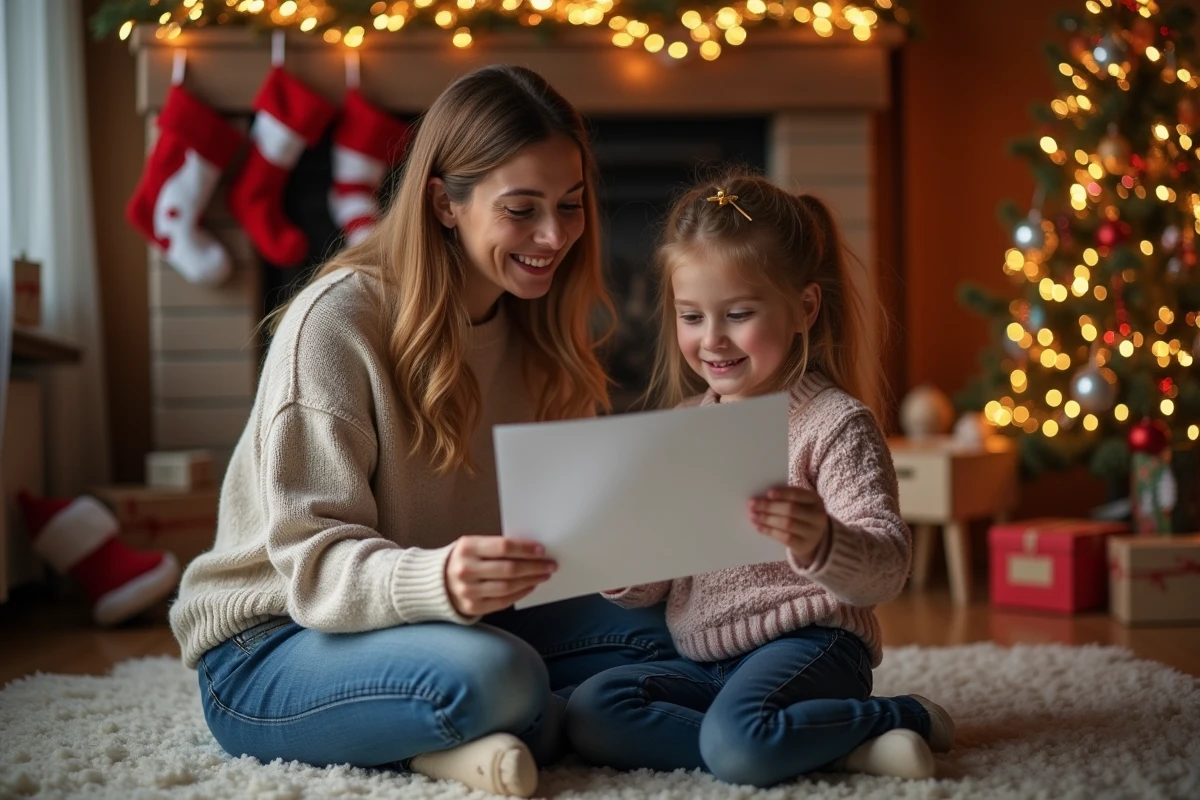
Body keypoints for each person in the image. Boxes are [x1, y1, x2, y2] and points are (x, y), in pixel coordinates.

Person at [168, 65, 675, 799]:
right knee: (502, 676)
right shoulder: (336, 323)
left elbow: (561, 538)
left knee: (682, 630)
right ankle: (495, 728)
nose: (555, 235)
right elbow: (311, 566)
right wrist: (437, 578)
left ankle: (487, 732)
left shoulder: (542, 331)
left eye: (571, 205)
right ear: (444, 203)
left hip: (458, 621)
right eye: (522, 209)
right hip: (275, 641)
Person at [564, 173, 956, 786]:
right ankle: (830, 744)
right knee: (593, 710)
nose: (712, 339)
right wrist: (619, 556)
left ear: (805, 309)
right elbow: (652, 585)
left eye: (738, 314)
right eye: (691, 316)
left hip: (811, 644)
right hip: (707, 660)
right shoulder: (682, 428)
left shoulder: (834, 424)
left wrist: (823, 541)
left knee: (739, 739)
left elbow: (887, 570)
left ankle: (902, 716)